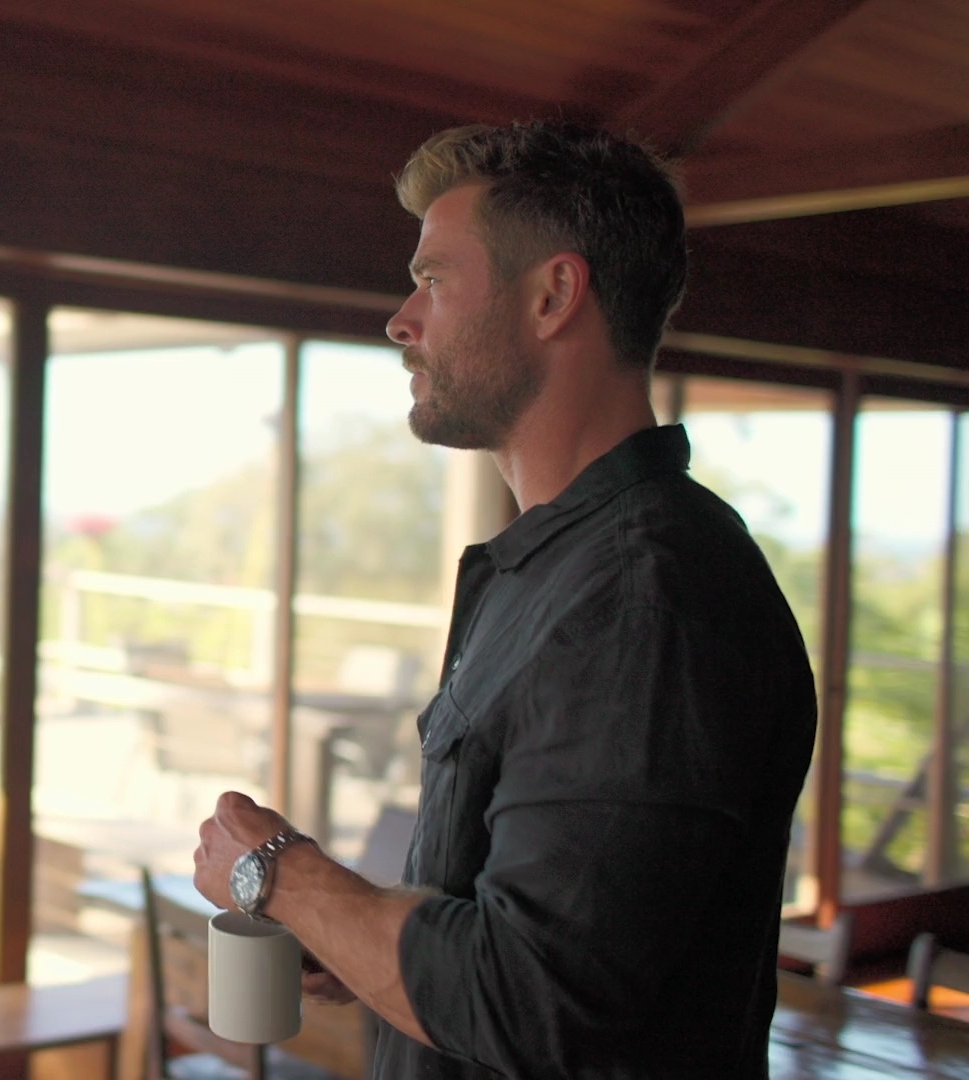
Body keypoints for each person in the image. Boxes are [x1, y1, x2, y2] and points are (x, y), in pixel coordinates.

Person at [191, 120, 818, 1079]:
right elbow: (517, 924)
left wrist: (284, 877)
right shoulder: (557, 569)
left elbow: (536, 1001)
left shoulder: (645, 596)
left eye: (434, 280)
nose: (402, 321)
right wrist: (359, 939)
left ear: (553, 296)